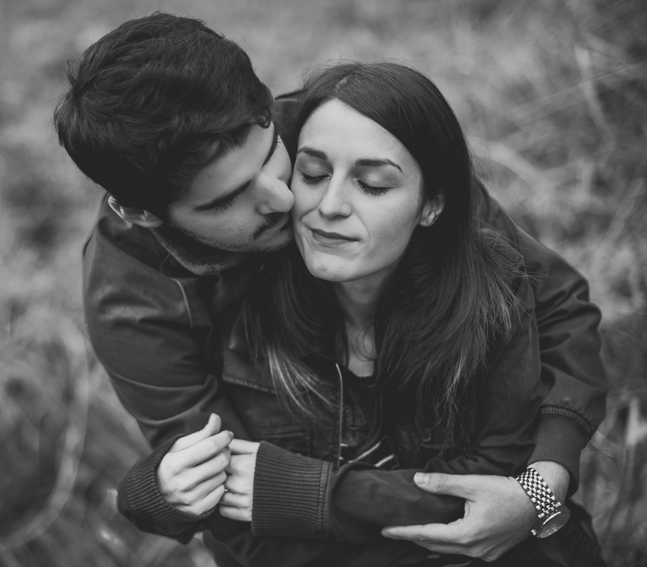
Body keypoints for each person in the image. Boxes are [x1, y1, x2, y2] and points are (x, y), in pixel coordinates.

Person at [52, 13, 607, 565]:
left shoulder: (348, 133)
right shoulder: (133, 303)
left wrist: (543, 486)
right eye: (226, 201)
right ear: (143, 214)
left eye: (278, 158)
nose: (287, 199)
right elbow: (233, 496)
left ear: (266, 107)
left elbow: (551, 302)